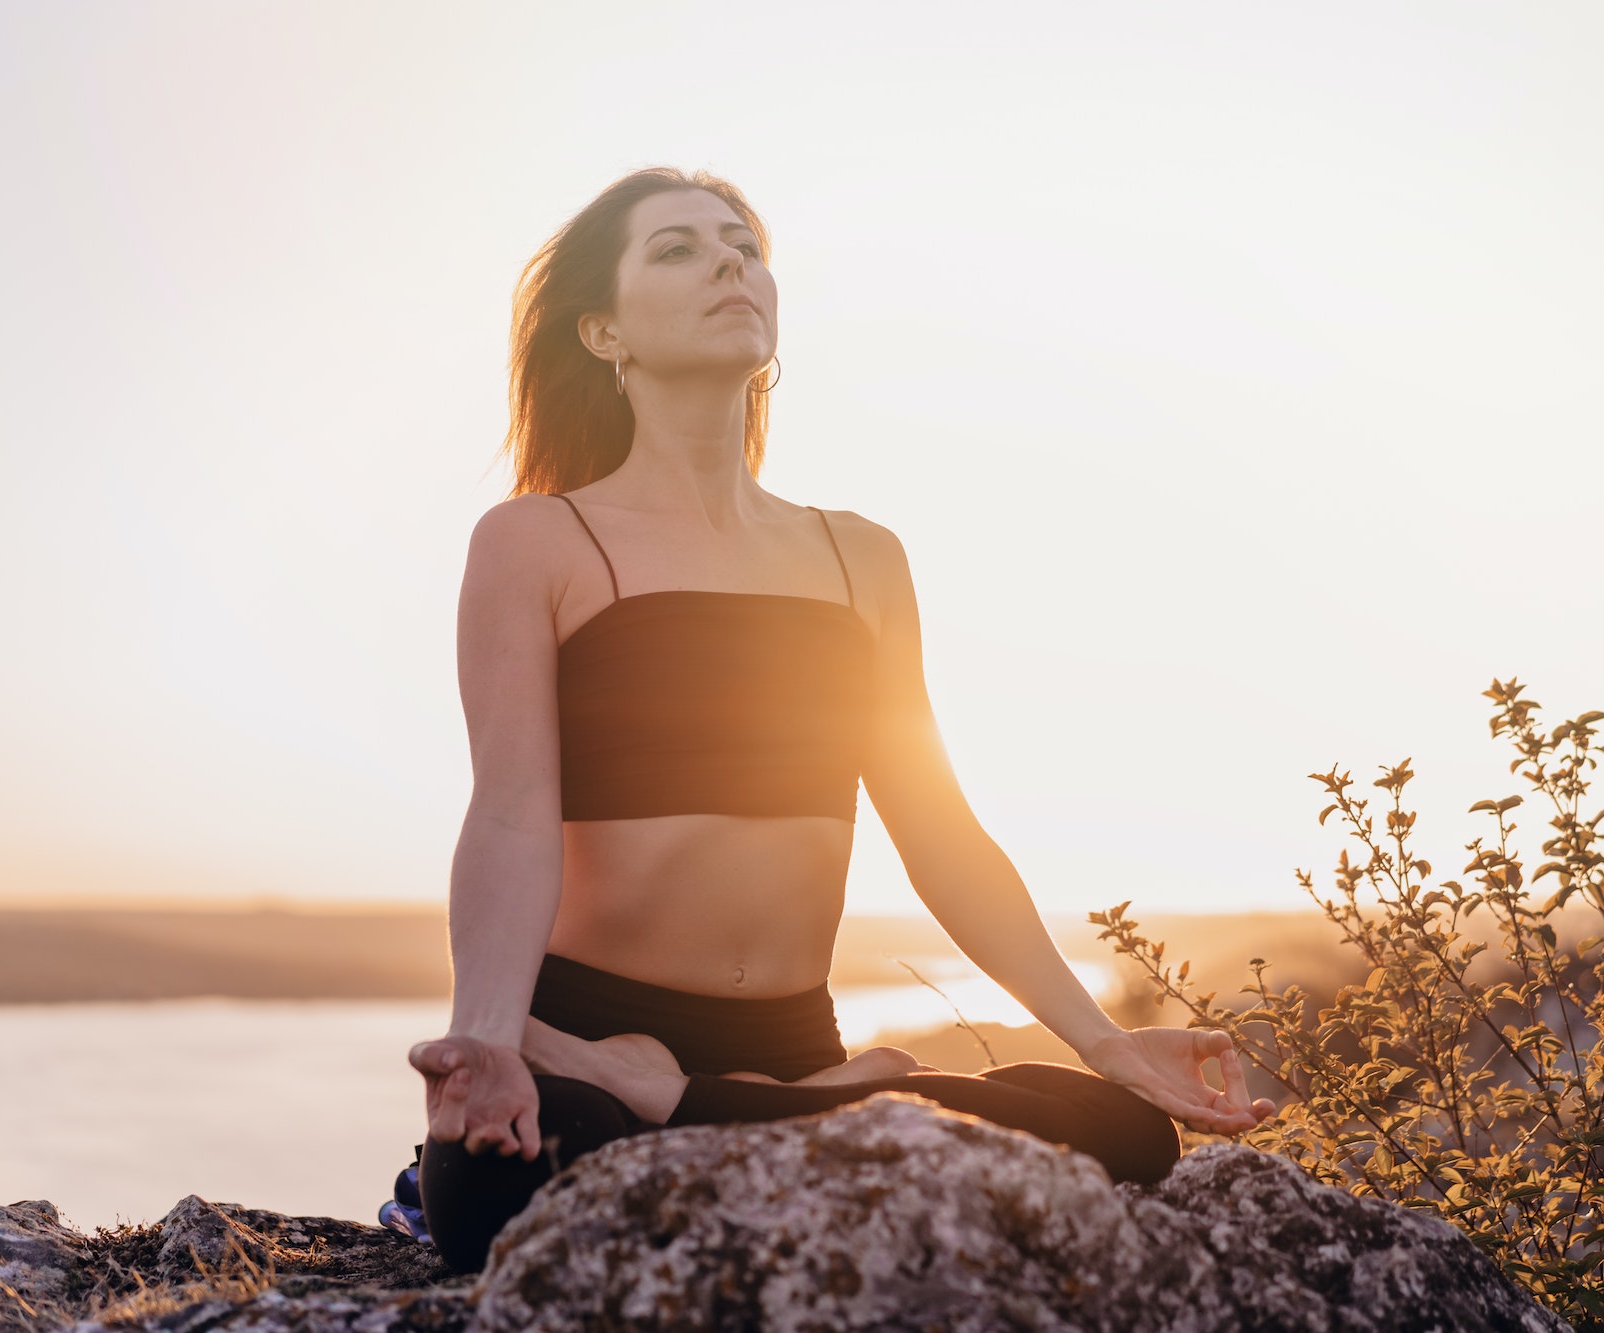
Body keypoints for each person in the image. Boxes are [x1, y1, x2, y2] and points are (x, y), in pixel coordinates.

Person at [404, 167, 1274, 1275]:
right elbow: (514, 811)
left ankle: (691, 1094)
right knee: (489, 1195)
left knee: (1123, 1132)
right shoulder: (536, 541)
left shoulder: (859, 556)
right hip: (581, 1022)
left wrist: (1102, 1043)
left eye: (743, 245)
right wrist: (488, 1038)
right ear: (602, 331)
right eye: (676, 249)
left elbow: (940, 831)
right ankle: (799, 1098)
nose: (728, 262)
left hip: (789, 1033)